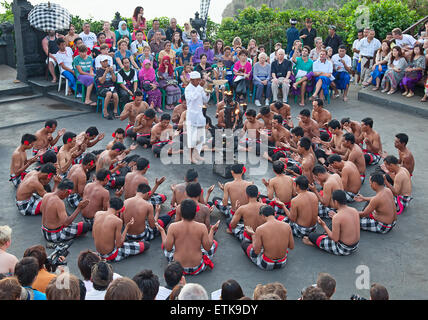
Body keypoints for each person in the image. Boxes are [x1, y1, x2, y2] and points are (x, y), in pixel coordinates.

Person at [157, 199, 220, 275]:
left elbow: (168, 248)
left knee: (165, 243)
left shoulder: (173, 227)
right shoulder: (202, 227)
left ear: (181, 213)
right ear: (195, 213)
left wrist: (162, 231)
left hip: (177, 268)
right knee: (214, 243)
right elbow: (207, 247)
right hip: (197, 267)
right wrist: (212, 230)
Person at [304, 190, 360, 255]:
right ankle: (324, 237)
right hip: (355, 246)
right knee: (333, 224)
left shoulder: (337, 217)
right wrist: (335, 217)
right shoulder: (354, 210)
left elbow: (335, 239)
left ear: (335, 202)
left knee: (312, 236)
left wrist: (323, 225)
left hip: (344, 248)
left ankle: (316, 244)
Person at [93, 197, 150, 262]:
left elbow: (94, 234)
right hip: (111, 255)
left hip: (99, 253)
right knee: (146, 245)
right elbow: (119, 245)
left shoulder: (97, 213)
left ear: (108, 205)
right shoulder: (117, 221)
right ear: (120, 210)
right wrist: (127, 227)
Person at [241, 205, 294, 270]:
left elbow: (257, 251)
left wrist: (253, 234)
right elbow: (291, 246)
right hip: (282, 262)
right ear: (274, 214)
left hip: (266, 264)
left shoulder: (260, 229)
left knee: (244, 243)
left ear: (262, 216)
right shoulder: (287, 226)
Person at [40, 179, 91, 243]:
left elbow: (41, 209)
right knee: (85, 226)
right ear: (66, 192)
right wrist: (79, 208)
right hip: (54, 235)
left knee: (66, 214)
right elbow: (66, 223)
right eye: (68, 194)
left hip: (44, 231)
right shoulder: (59, 202)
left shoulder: (46, 195)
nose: (67, 196)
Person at [185, 71, 210, 163]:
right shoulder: (188, 89)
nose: (199, 82)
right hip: (192, 115)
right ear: (192, 80)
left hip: (200, 115)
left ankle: (197, 154)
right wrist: (200, 89)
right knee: (192, 137)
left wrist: (207, 92)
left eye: (199, 80)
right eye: (197, 80)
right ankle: (190, 157)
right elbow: (192, 98)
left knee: (200, 136)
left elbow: (205, 100)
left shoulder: (199, 88)